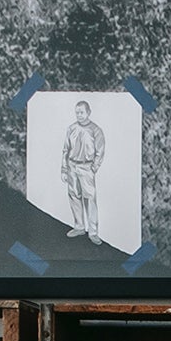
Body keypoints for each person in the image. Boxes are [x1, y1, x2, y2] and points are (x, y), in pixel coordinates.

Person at [63, 100, 106, 244]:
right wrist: (64, 169)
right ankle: (79, 227)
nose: (79, 115)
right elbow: (66, 150)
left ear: (88, 112)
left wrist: (94, 167)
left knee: (90, 199)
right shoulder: (71, 128)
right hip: (72, 166)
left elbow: (100, 151)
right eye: (77, 112)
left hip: (86, 168)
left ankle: (93, 232)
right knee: (74, 196)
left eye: (81, 112)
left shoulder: (96, 130)